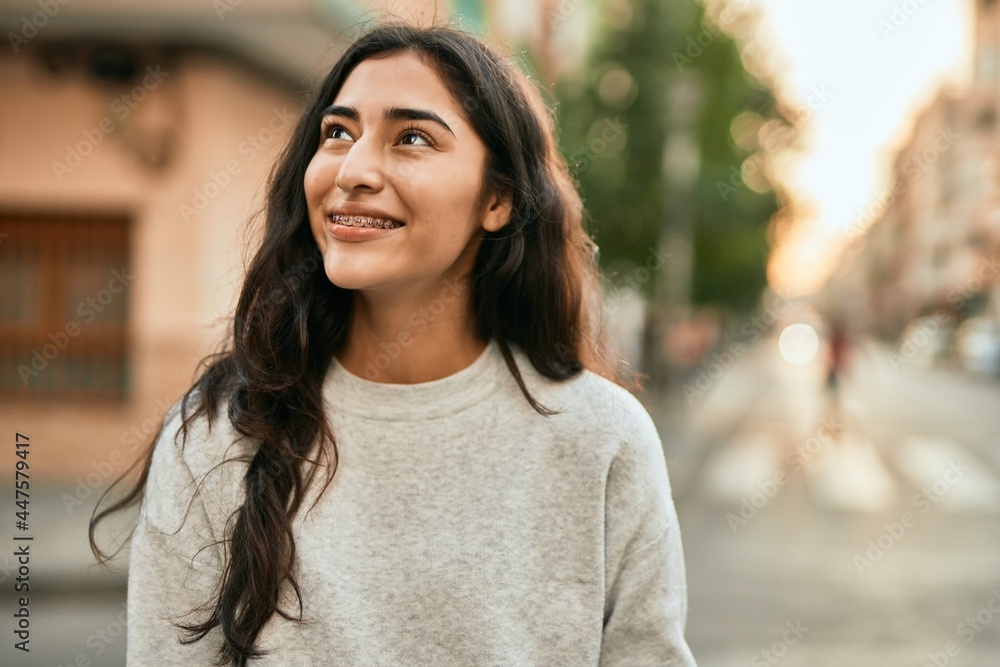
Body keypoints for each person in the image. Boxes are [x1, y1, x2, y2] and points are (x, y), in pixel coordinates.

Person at [90, 22, 697, 667]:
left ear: (497, 198)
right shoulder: (216, 437)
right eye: (338, 133)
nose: (352, 170)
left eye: (411, 138)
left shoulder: (602, 439)